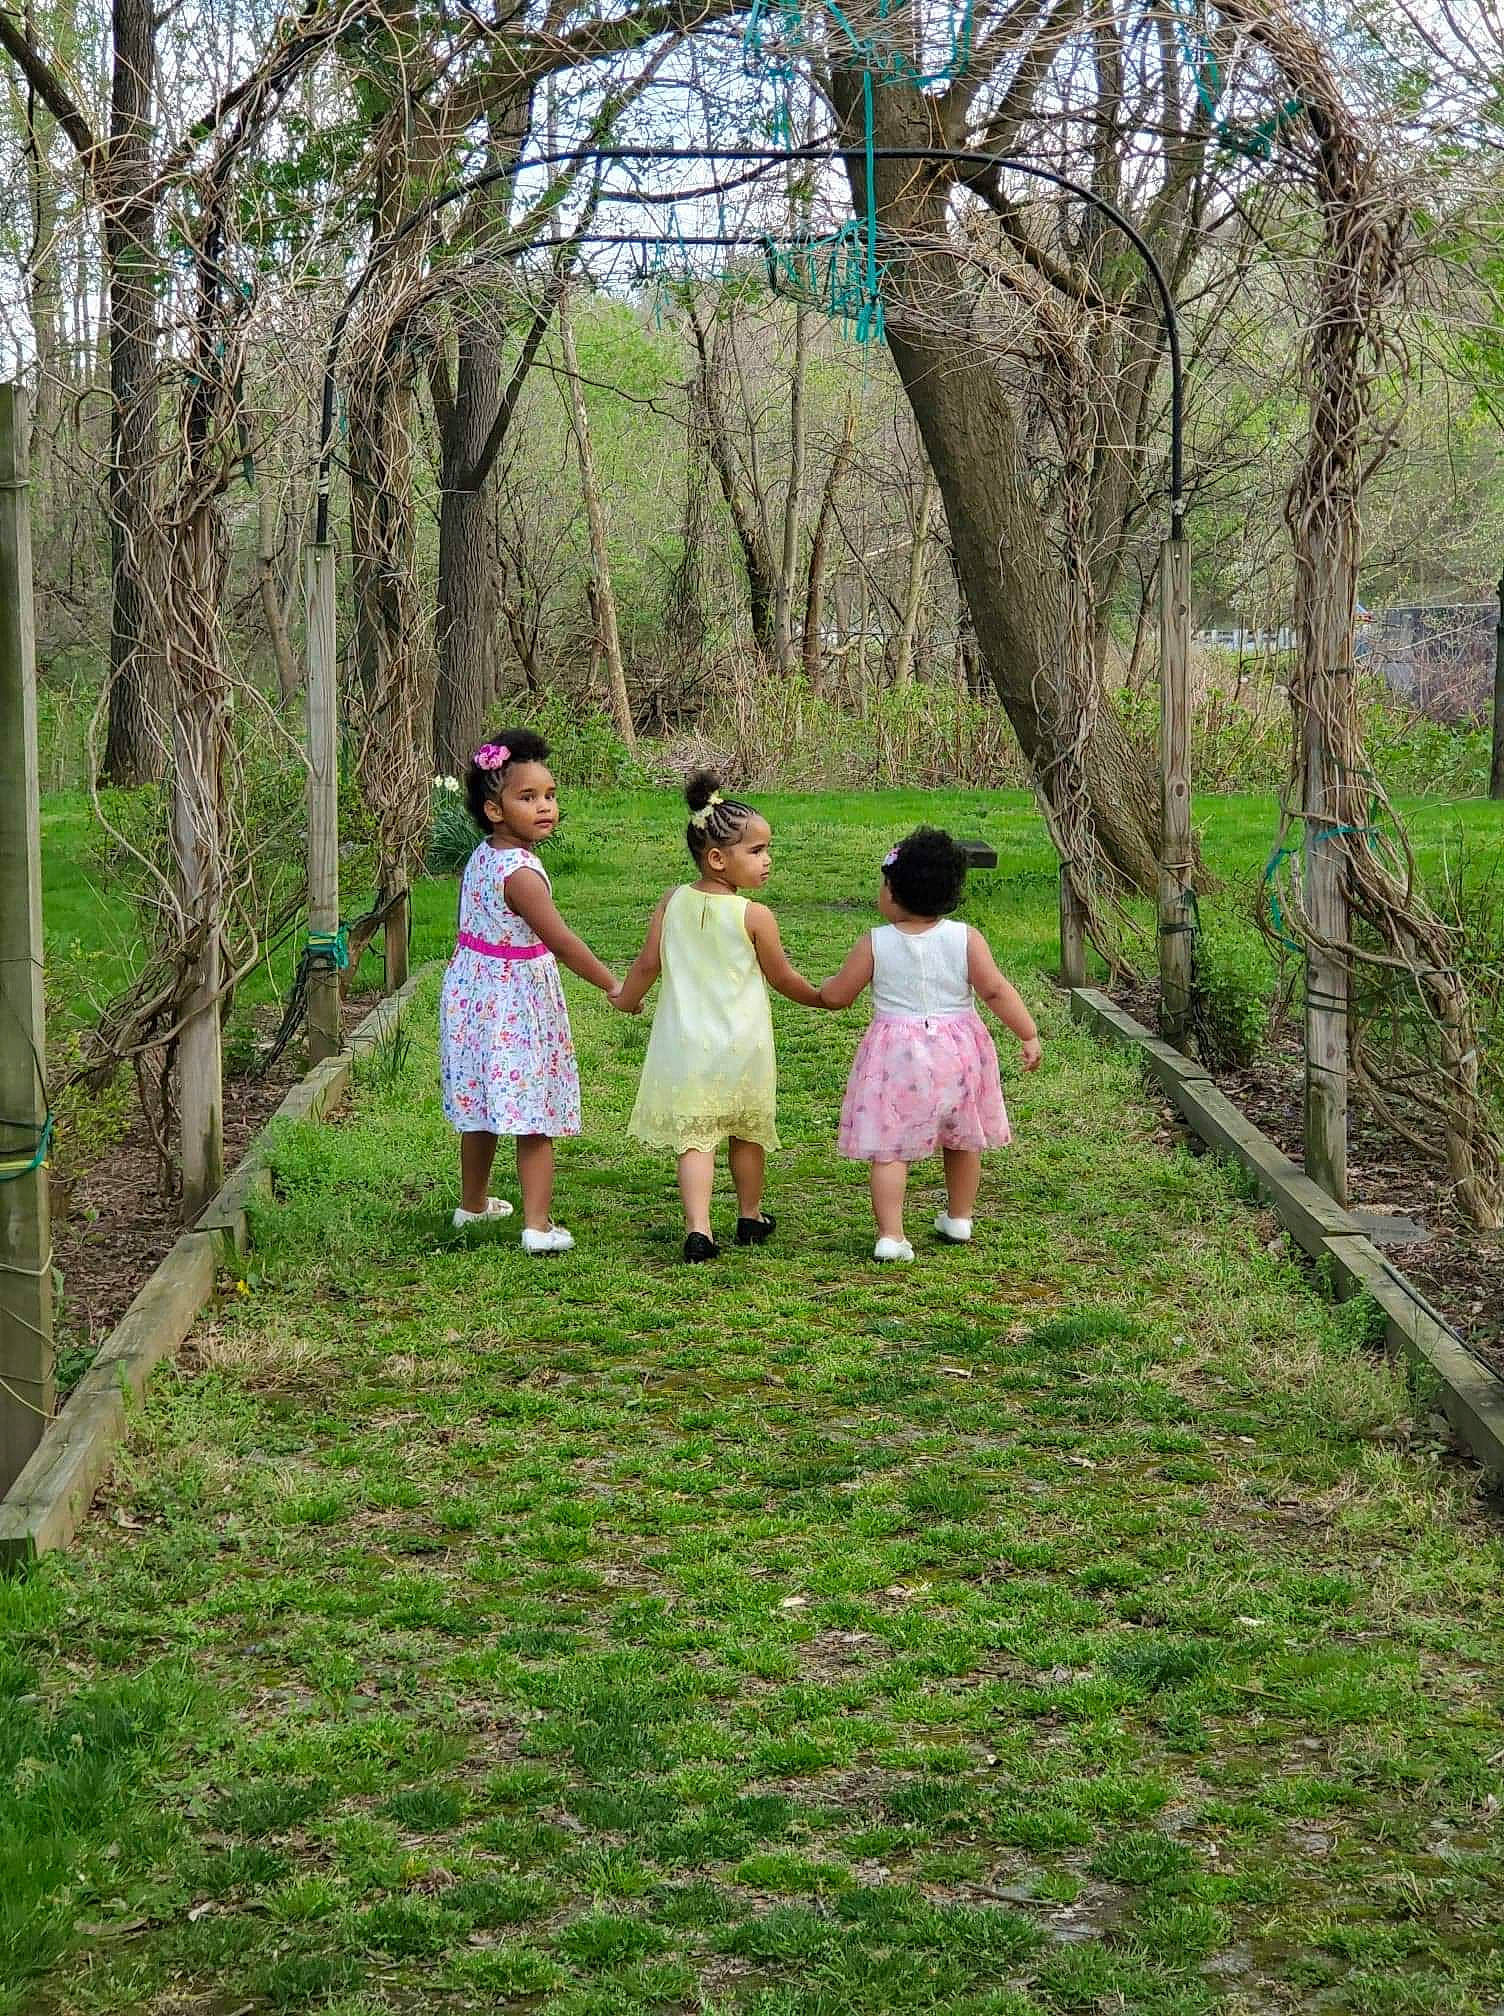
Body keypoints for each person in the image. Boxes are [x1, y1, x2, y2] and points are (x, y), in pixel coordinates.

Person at [615, 772, 822, 1262]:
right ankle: (750, 1215)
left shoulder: (672, 902)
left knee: (696, 1138)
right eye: (757, 850)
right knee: (746, 1133)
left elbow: (648, 965)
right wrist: (820, 997)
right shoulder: (755, 917)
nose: (767, 860)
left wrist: (627, 998)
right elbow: (782, 977)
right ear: (717, 858)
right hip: (742, 1045)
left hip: (685, 1046)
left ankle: (699, 1229)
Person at [820, 827, 1042, 1262]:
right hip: (958, 1053)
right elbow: (995, 990)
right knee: (963, 1138)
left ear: (893, 892)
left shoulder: (875, 942)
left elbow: (838, 995)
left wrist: (822, 989)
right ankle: (959, 1217)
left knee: (890, 1145)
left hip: (896, 1056)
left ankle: (891, 1234)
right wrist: (1027, 1032)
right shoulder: (965, 938)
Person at [438, 730, 619, 1253]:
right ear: (495, 810)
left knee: (484, 1106)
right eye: (528, 797)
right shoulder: (521, 875)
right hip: (513, 1001)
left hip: (474, 997)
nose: (545, 807)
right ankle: (538, 1226)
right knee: (530, 1107)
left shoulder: (484, 854)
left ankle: (472, 1205)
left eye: (550, 795)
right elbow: (560, 940)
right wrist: (612, 983)